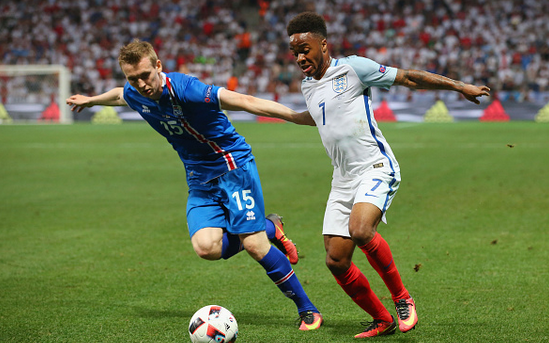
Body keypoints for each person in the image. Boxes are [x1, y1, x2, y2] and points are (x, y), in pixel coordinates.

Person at [66, 39, 323, 331]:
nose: (140, 84)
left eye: (145, 76)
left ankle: (309, 310)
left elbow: (245, 101)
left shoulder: (187, 89)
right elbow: (120, 96)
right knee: (206, 247)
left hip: (232, 166)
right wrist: (91, 99)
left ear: (158, 66)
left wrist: (297, 117)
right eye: (132, 78)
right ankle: (269, 226)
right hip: (198, 177)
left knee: (253, 245)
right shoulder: (134, 91)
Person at [275, 12, 490, 338]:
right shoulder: (308, 85)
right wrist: (268, 110)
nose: (300, 58)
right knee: (336, 260)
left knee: (361, 230)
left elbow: (408, 78)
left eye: (305, 49)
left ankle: (403, 299)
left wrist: (459, 87)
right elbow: (321, 116)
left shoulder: (353, 68)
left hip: (375, 166)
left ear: (323, 44)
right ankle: (382, 319)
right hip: (342, 178)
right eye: (295, 53)